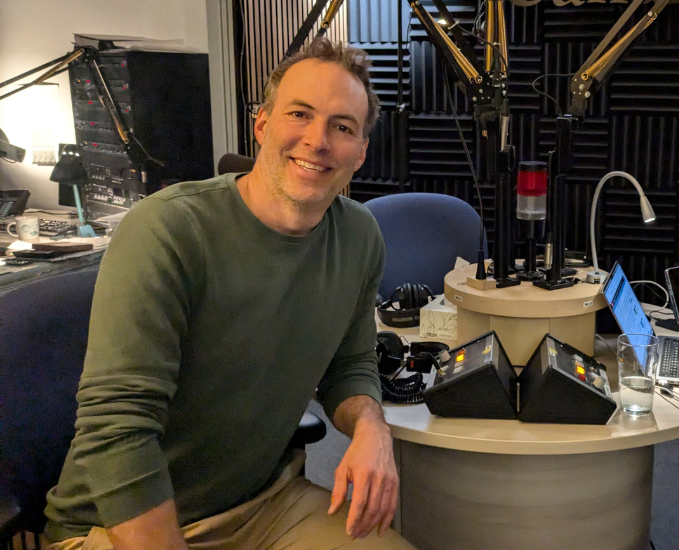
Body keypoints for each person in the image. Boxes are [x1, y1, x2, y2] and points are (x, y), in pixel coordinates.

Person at [43, 38, 415, 550]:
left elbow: (351, 364)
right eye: (300, 114)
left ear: (361, 151)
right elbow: (117, 430)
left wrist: (372, 428)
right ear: (262, 124)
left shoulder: (359, 235)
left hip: (264, 505)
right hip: (118, 525)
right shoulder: (168, 229)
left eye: (342, 126)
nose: (318, 140)